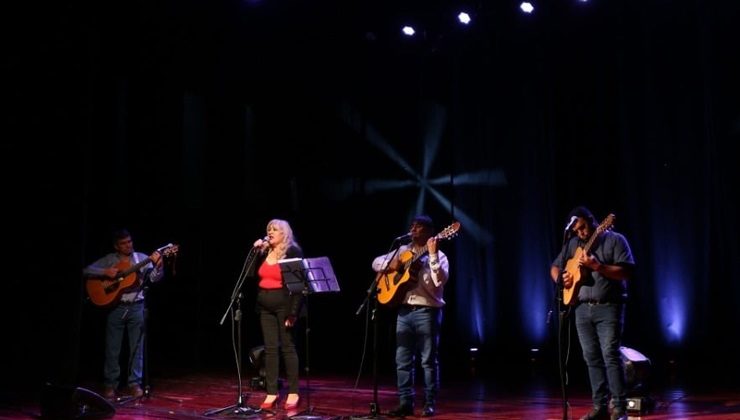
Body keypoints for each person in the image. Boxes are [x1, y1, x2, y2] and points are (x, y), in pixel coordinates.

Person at [550, 206, 635, 420]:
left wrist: (597, 267)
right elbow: (554, 267)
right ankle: (599, 407)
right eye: (577, 230)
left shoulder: (615, 240)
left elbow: (627, 272)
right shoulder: (573, 244)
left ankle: (619, 408)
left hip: (608, 306)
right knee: (591, 358)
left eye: (583, 227)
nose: (581, 233)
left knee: (610, 355)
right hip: (580, 308)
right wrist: (562, 279)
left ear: (594, 221)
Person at [372, 214, 449, 418]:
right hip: (404, 311)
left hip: (427, 311)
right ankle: (405, 403)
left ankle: (429, 403)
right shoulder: (403, 251)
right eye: (412, 226)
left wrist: (432, 256)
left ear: (430, 232)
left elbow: (438, 282)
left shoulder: (440, 256)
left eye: (419, 227)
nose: (413, 229)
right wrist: (394, 265)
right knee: (402, 360)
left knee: (428, 361)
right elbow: (375, 263)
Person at [82, 229, 164, 400]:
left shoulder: (141, 258)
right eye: (124, 243)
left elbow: (155, 279)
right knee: (112, 348)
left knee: (137, 347)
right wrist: (105, 272)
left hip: (137, 306)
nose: (129, 245)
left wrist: (159, 265)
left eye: (130, 241)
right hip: (116, 307)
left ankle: (135, 384)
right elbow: (86, 270)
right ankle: (110, 385)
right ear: (116, 246)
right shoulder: (110, 260)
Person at [248, 219, 304, 410]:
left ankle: (294, 391)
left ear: (284, 233)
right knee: (270, 349)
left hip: (284, 305)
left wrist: (293, 312)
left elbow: (298, 286)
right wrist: (256, 251)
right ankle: (272, 393)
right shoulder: (264, 251)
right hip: (265, 305)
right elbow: (249, 274)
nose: (270, 232)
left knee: (287, 347)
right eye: (268, 229)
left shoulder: (292, 251)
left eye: (275, 230)